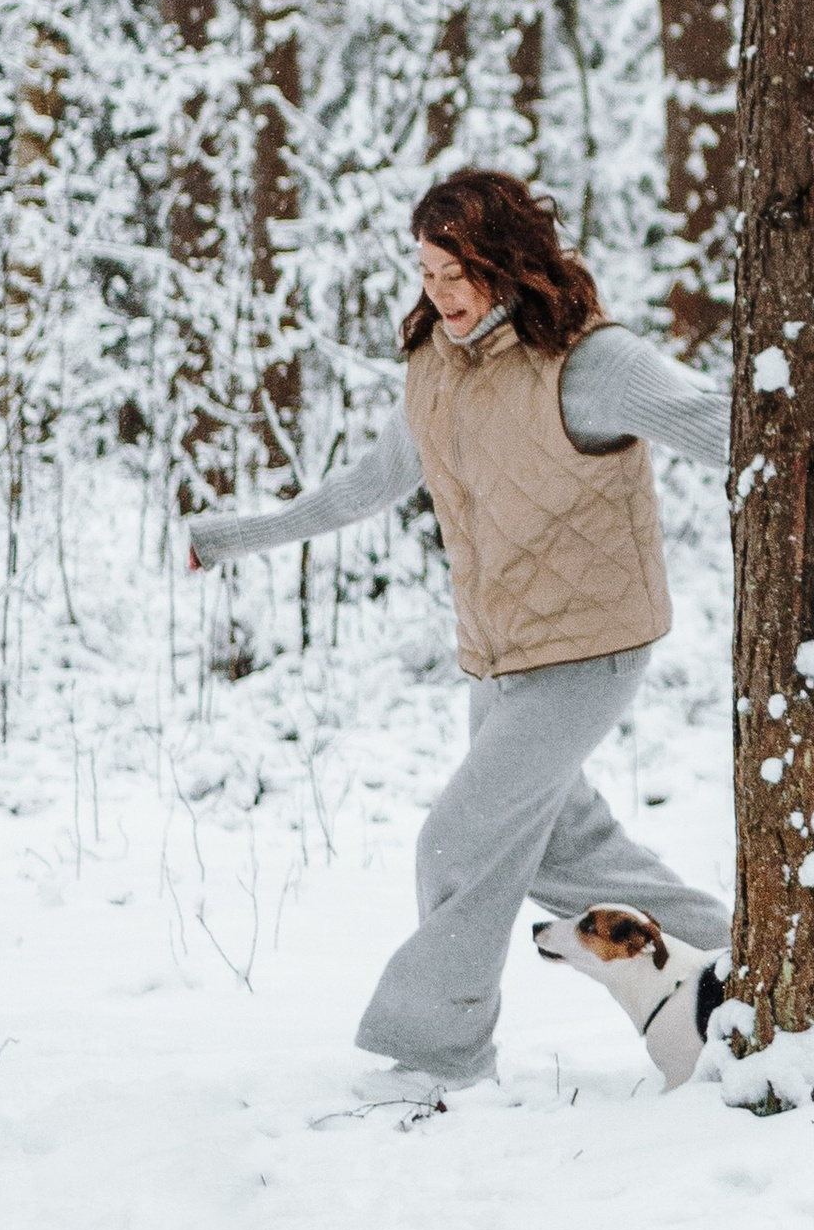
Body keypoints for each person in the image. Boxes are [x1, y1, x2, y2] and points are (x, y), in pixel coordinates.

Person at [190, 168, 732, 1113]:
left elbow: (723, 423)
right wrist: (232, 536)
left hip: (589, 651)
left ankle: (440, 1058)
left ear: (510, 262)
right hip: (498, 656)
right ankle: (748, 962)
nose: (441, 293)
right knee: (570, 855)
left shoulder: (589, 361)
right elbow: (368, 485)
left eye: (460, 272)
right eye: (429, 272)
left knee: (459, 843)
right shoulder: (438, 367)